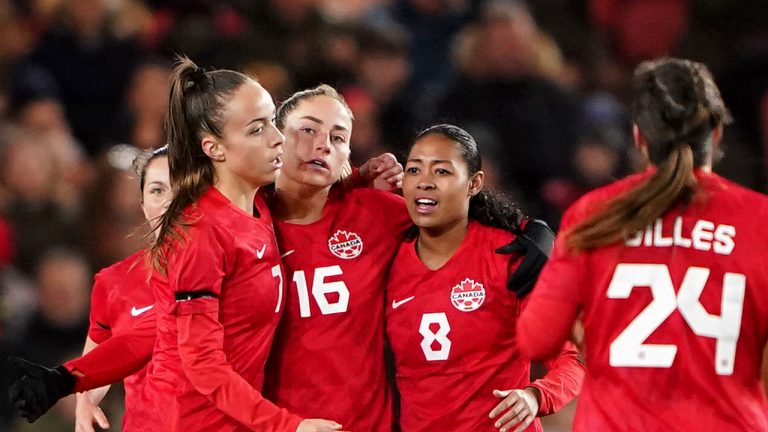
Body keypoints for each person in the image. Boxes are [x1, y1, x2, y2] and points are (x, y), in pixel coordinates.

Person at [10, 57, 342, 432]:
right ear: (214, 148)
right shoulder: (201, 234)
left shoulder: (257, 207)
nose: (277, 137)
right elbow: (202, 365)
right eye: (256, 129)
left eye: (272, 121)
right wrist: (286, 426)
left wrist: (69, 378)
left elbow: (155, 330)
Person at [517, 57, 768, 431]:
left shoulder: (592, 214)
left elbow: (536, 339)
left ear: (639, 136)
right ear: (716, 134)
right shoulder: (759, 219)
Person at [385, 124, 584, 432]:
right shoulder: (386, 262)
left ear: (474, 183)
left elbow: (574, 360)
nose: (424, 182)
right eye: (414, 170)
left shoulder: (511, 256)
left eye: (442, 172)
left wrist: (535, 396)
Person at [262, 84, 411, 432]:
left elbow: (461, 228)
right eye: (308, 129)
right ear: (275, 138)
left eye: (339, 137)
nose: (323, 144)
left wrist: (531, 234)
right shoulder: (244, 222)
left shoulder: (378, 213)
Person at [74, 146, 170, 432]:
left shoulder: (226, 264)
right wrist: (84, 397)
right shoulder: (112, 281)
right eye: (155, 191)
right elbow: (93, 364)